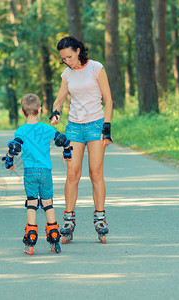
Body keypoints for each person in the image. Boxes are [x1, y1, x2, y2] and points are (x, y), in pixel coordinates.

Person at [49, 36, 113, 244]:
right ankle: (68, 220)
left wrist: (107, 127)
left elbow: (109, 99)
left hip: (96, 125)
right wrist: (55, 112)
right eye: (63, 58)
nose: (66, 60)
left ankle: (100, 218)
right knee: (72, 174)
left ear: (78, 50)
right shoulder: (67, 74)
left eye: (69, 56)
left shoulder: (96, 68)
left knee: (95, 173)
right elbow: (59, 98)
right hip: (74, 128)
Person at [2, 93, 73, 255]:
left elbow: (14, 147)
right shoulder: (47, 129)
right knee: (48, 203)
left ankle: (31, 236)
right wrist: (67, 154)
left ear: (22, 112)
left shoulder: (21, 131)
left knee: (32, 203)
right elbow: (63, 140)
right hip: (46, 172)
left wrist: (9, 162)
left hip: (30, 173)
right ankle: (54, 236)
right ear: (40, 110)